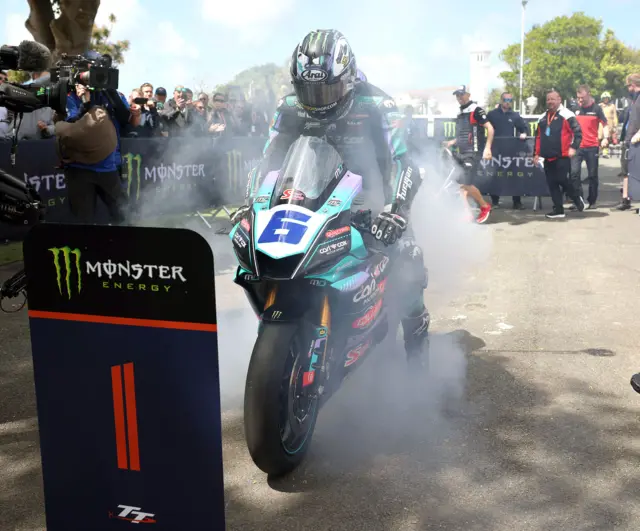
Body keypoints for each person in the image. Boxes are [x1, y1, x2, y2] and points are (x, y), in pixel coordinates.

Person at [235, 29, 430, 362]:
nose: (318, 100)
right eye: (308, 90)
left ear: (349, 79)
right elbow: (269, 158)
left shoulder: (379, 104)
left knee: (407, 260)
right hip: (310, 190)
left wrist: (397, 209)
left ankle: (417, 347)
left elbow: (402, 161)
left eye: (328, 89)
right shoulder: (289, 106)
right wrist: (251, 202)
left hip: (373, 196)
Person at [443, 85, 493, 223]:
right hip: (462, 152)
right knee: (461, 185)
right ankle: (467, 214)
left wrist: (488, 148)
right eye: (457, 95)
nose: (459, 97)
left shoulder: (476, 109)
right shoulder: (460, 112)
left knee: (466, 184)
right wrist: (452, 142)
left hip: (474, 152)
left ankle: (484, 206)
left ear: (468, 95)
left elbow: (490, 128)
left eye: (462, 94)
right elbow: (464, 134)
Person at [533, 90, 585, 219]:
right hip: (547, 156)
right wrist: (536, 154)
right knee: (552, 184)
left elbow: (578, 133)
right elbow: (538, 137)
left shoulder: (567, 114)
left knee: (562, 180)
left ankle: (576, 198)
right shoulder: (542, 117)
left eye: (553, 99)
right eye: (548, 99)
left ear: (559, 100)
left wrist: (573, 147)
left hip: (562, 155)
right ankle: (558, 210)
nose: (550, 102)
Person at [487, 91, 529, 209]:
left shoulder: (515, 115)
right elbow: (482, 127)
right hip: (496, 151)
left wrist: (524, 133)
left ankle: (517, 202)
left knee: (515, 176)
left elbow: (524, 128)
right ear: (501, 101)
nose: (507, 102)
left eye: (510, 100)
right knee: (495, 176)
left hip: (511, 151)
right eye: (505, 100)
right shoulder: (492, 114)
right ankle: (495, 201)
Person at [570, 85, 608, 209]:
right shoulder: (574, 108)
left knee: (592, 175)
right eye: (578, 98)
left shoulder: (596, 109)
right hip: (577, 147)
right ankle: (578, 200)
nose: (580, 100)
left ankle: (592, 201)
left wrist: (605, 138)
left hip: (592, 147)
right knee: (574, 174)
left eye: (582, 98)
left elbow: (605, 124)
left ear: (589, 94)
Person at [599, 91, 618, 158]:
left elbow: (615, 116)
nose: (605, 99)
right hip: (600, 125)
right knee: (600, 138)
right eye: (604, 98)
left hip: (609, 124)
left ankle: (605, 153)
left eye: (607, 98)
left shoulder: (612, 106)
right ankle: (598, 151)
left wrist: (615, 125)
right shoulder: (600, 106)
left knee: (607, 139)